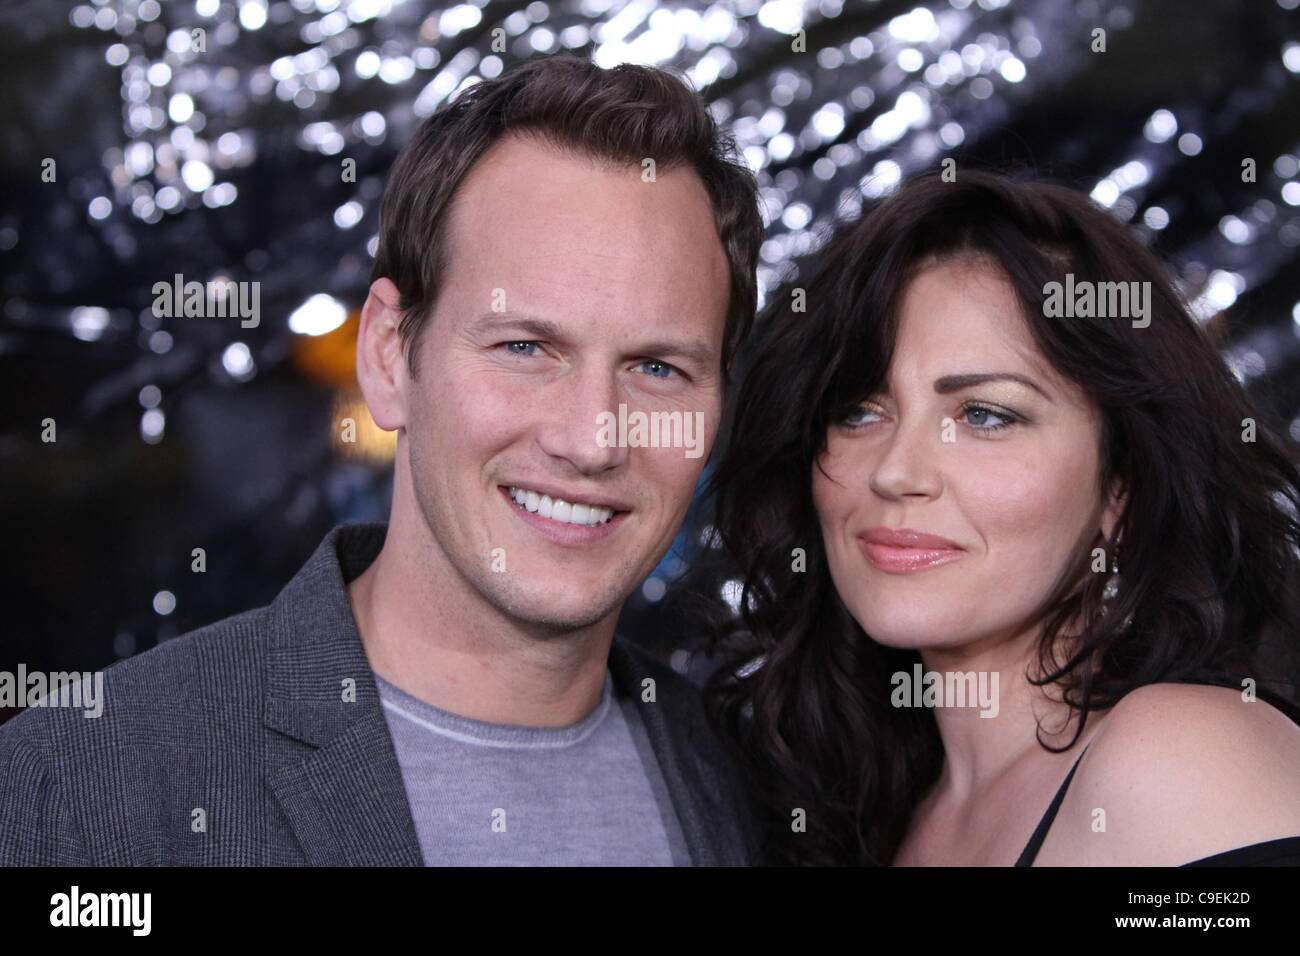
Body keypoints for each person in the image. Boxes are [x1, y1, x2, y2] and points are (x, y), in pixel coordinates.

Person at [0, 55, 764, 866]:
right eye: (525, 346)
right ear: (391, 357)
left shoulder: (750, 788)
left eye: (657, 369)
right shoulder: (84, 789)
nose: (592, 439)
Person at [704, 169, 1300, 866]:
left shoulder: (1177, 761)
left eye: (985, 415)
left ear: (1122, 485)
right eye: (860, 411)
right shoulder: (870, 812)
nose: (896, 471)